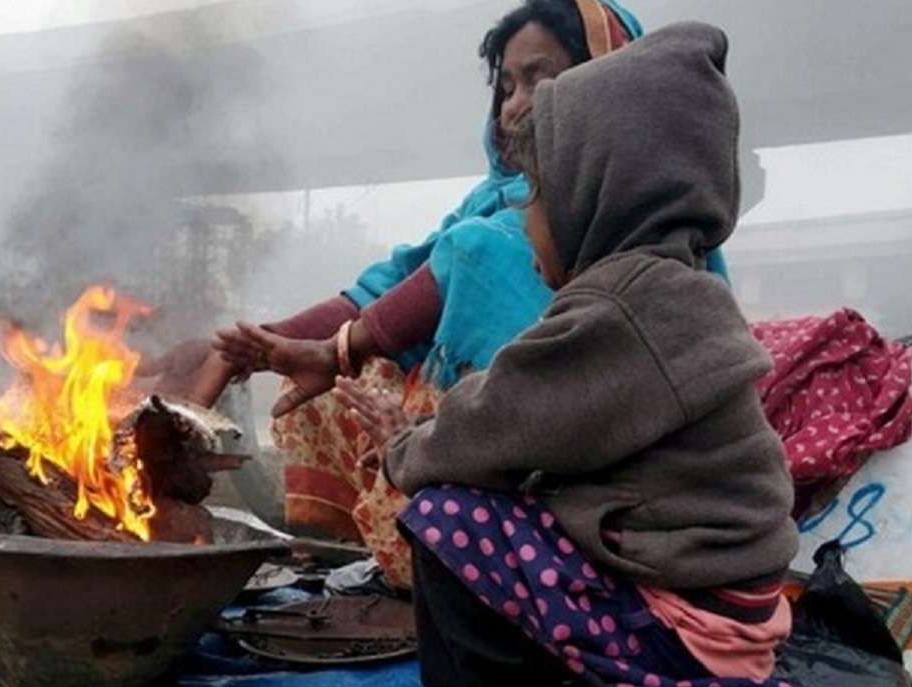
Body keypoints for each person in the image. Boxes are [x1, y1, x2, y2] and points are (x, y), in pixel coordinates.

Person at [332, 22, 827, 687]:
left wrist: (405, 447)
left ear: (598, 195)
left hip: (683, 625)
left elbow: (495, 425)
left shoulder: (619, 308)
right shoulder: (677, 290)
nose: (525, 225)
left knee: (448, 513)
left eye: (536, 199)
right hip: (727, 611)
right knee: (513, 505)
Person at [146, 0, 700, 590]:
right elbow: (388, 290)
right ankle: (423, 557)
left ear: (608, 85)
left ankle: (473, 568)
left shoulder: (634, 217)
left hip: (588, 474)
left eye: (540, 79)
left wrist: (349, 369)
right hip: (500, 441)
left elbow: (463, 261)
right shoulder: (495, 198)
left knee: (401, 355)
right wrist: (247, 350)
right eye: (506, 87)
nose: (514, 105)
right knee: (332, 390)